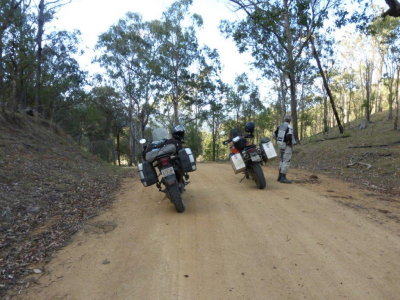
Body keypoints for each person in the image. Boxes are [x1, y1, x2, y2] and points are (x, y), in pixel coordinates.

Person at [274, 114, 296, 184]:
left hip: (280, 145)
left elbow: (274, 135)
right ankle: (283, 178)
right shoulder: (289, 127)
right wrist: (289, 143)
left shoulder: (279, 126)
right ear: (290, 120)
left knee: (282, 160)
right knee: (286, 161)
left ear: (284, 119)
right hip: (287, 146)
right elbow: (289, 135)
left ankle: (279, 176)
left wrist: (278, 141)